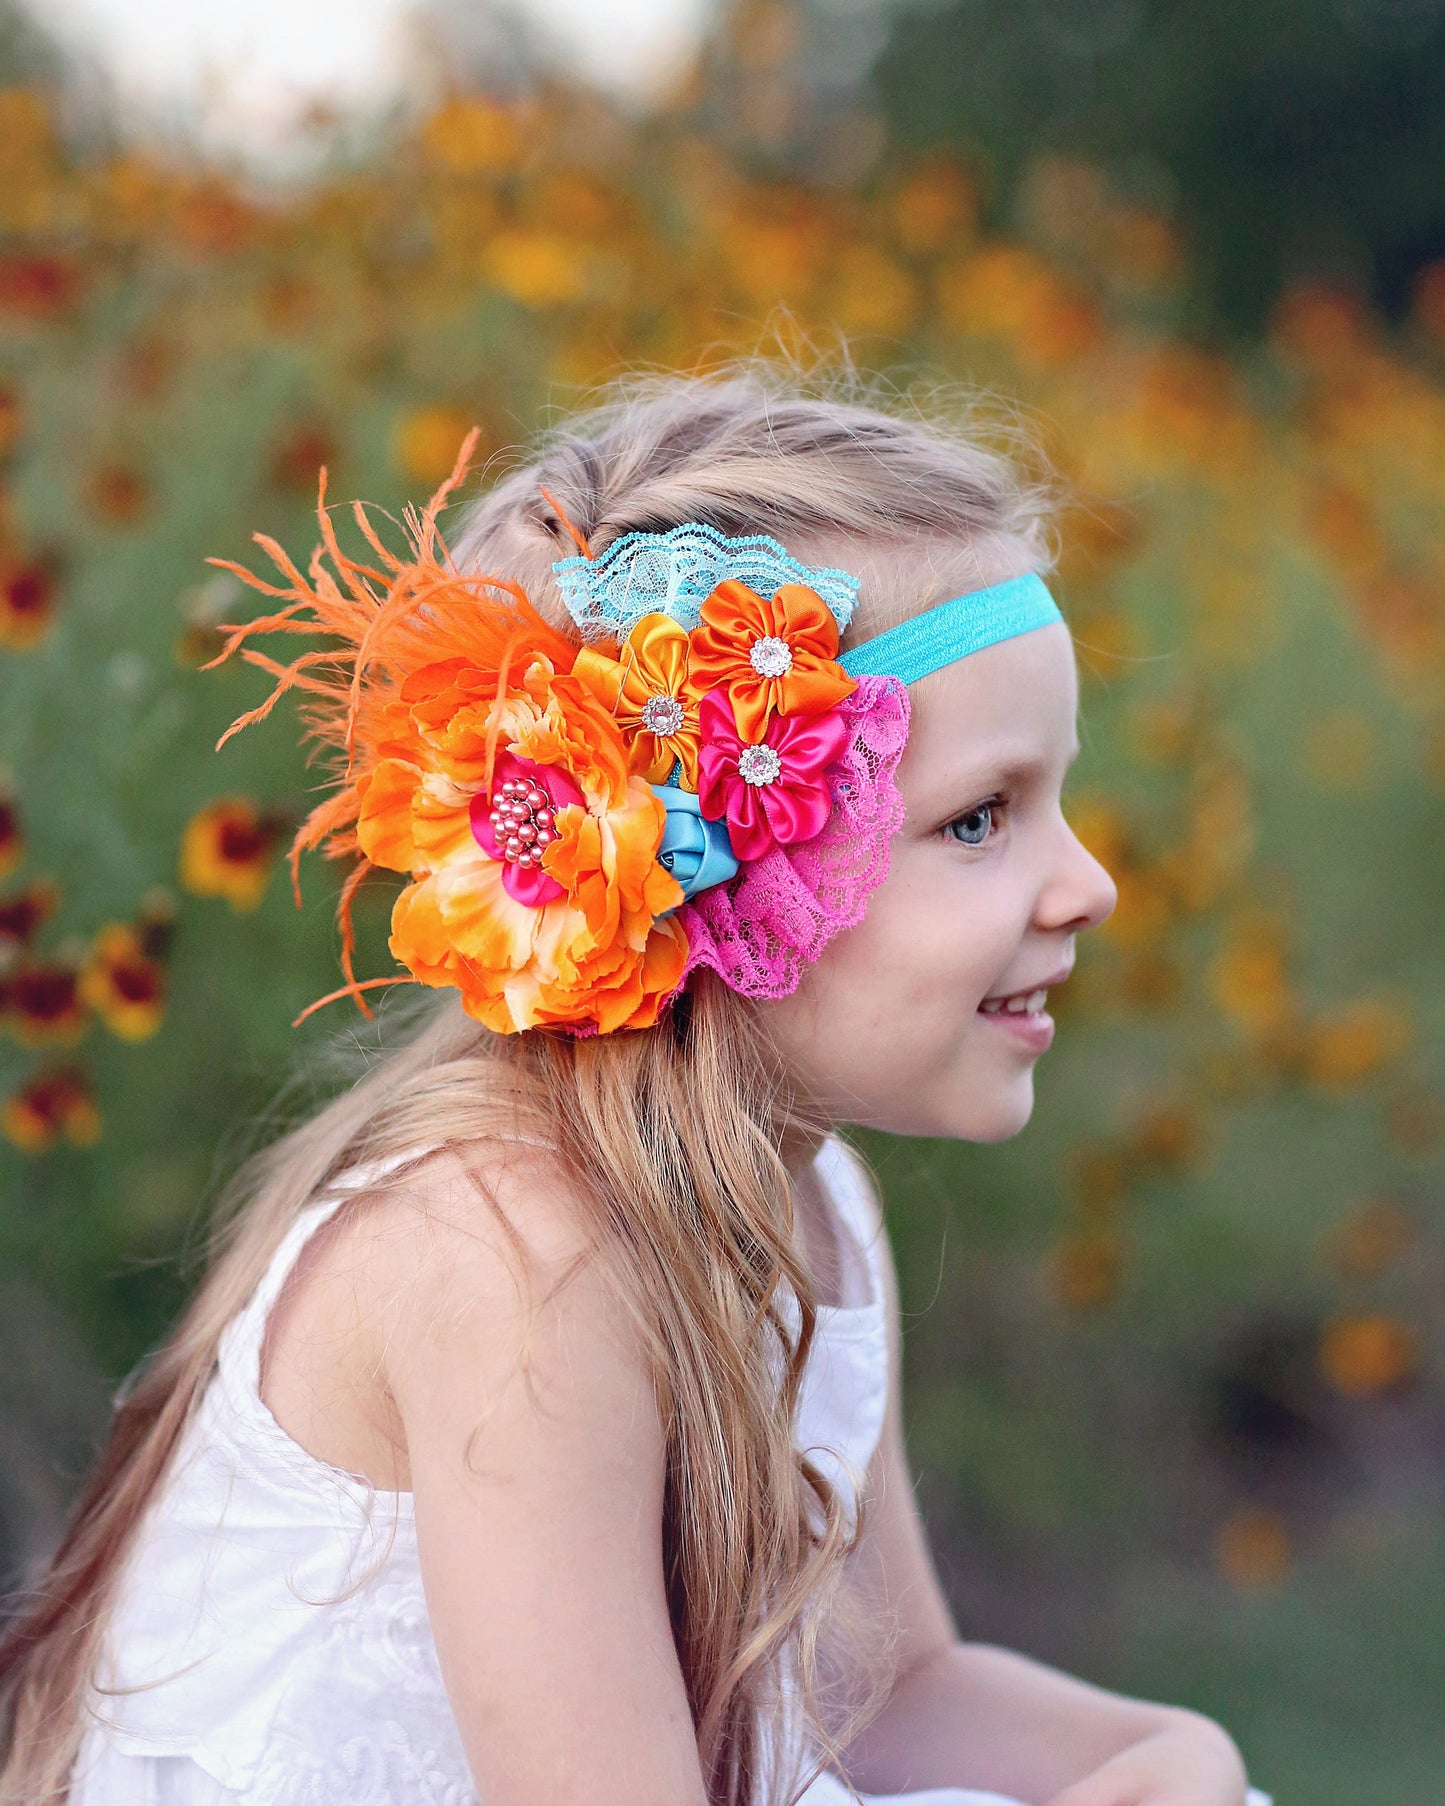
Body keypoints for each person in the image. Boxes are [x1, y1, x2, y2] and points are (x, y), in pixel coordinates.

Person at [0, 368, 1276, 1806]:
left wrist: (1163, 1757)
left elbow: (893, 1688)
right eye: (977, 818)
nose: (1088, 883)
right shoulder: (522, 1263)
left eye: (1055, 798)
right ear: (705, 872)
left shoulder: (808, 1193)